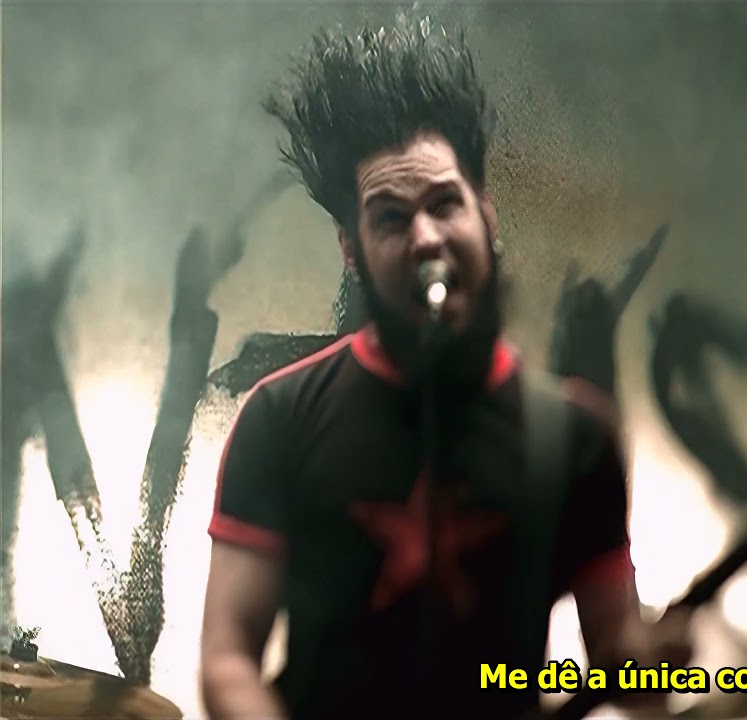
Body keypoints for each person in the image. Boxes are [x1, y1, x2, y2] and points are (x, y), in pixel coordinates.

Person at [198, 12, 692, 720]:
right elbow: (227, 660)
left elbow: (622, 668)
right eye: (391, 218)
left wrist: (663, 669)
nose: (426, 237)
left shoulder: (576, 439)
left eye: (444, 204)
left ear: (486, 216)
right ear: (351, 249)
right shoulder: (281, 417)